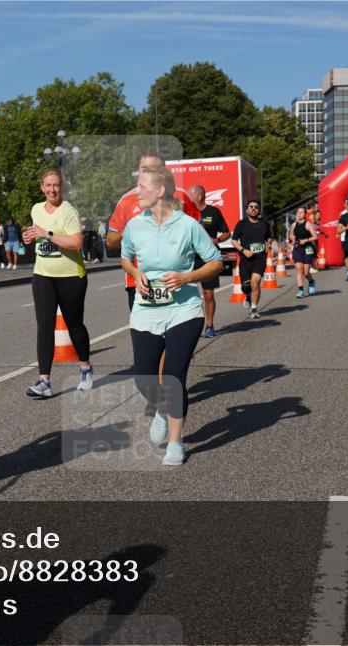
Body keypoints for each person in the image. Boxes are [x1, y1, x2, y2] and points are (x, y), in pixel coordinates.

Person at [121, 165, 222, 465]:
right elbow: (126, 258)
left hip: (184, 310)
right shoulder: (134, 226)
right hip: (146, 310)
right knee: (144, 379)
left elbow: (215, 262)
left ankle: (176, 443)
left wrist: (186, 278)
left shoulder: (188, 226)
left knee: (174, 376)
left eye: (141, 186)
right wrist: (136, 272)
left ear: (161, 190)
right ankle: (162, 410)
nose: (136, 192)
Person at [23, 169, 92, 398]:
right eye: (48, 185)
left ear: (62, 188)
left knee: (75, 326)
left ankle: (85, 366)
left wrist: (48, 233)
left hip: (71, 277)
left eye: (56, 185)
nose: (52, 189)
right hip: (43, 274)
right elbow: (39, 237)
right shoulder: (35, 209)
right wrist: (30, 237)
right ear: (42, 187)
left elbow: (76, 244)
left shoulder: (68, 211)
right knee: (44, 326)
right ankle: (44, 381)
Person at [106, 150, 201, 311]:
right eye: (144, 169)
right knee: (147, 333)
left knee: (178, 333)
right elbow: (110, 241)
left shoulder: (181, 198)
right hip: (140, 282)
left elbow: (199, 236)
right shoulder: (127, 201)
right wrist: (131, 230)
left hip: (177, 280)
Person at [188, 184, 230, 337]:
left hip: (208, 259)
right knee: (185, 294)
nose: (187, 197)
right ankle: (186, 326)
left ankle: (209, 325)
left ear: (199, 196)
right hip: (189, 258)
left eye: (190, 194)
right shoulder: (184, 213)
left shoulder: (213, 212)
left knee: (208, 294)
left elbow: (227, 233)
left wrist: (217, 239)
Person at [231, 200, 274, 318]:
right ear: (247, 210)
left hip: (260, 258)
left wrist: (268, 244)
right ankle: (248, 296)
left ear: (258, 210)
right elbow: (234, 240)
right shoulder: (241, 224)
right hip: (246, 259)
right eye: (251, 207)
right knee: (246, 287)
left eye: (256, 207)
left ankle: (254, 308)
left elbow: (269, 237)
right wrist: (244, 251)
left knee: (255, 281)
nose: (253, 208)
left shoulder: (264, 223)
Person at [290, 206, 318, 298]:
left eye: (302, 212)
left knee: (306, 272)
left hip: (307, 248)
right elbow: (291, 235)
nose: (299, 214)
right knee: (299, 269)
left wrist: (306, 240)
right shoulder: (294, 225)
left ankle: (311, 281)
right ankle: (301, 291)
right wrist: (293, 239)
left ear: (305, 214)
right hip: (297, 248)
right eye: (298, 212)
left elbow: (315, 237)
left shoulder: (308, 224)